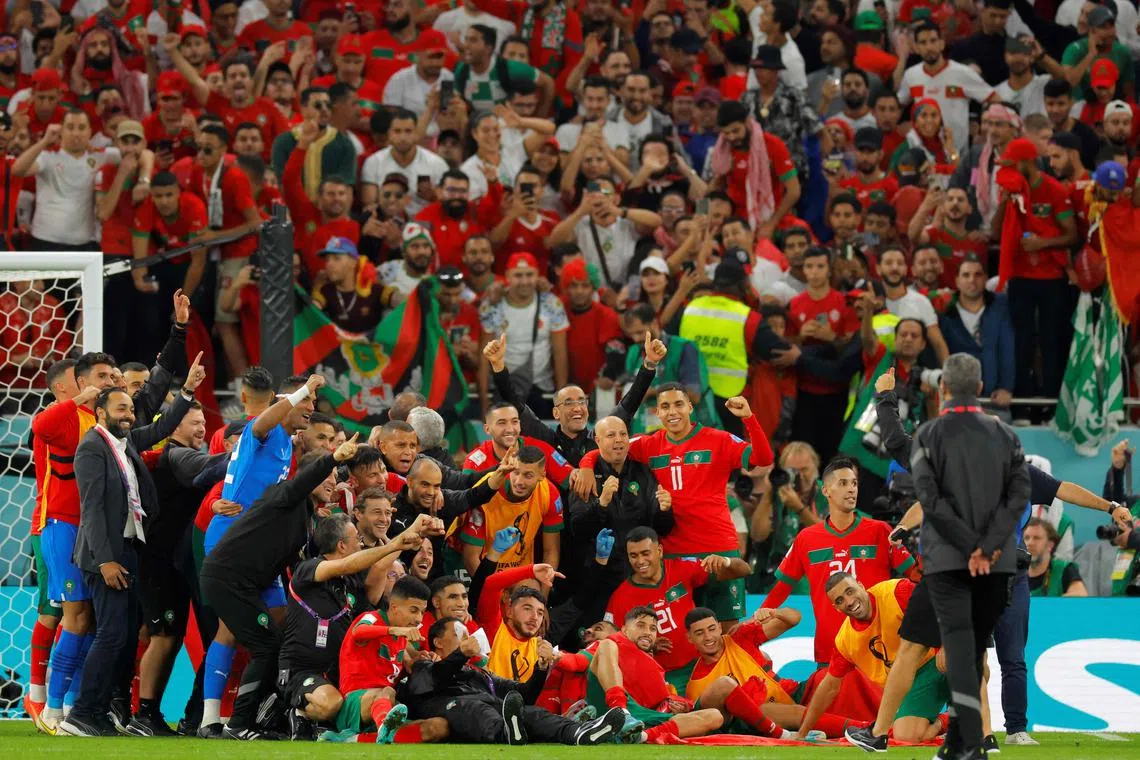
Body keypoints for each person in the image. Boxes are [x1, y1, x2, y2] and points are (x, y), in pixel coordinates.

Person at [58, 376, 199, 737]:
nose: (129, 414)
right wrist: (105, 561)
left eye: (131, 409)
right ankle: (83, 712)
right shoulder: (92, 447)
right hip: (106, 554)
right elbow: (90, 509)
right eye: (121, 408)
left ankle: (101, 710)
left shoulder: (124, 443)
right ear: (99, 412)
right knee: (111, 635)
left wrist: (186, 394)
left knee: (120, 637)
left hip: (130, 549)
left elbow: (163, 426)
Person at [909, 353, 1031, 758]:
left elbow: (930, 499)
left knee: (961, 645)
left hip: (947, 559)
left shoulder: (927, 434)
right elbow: (1020, 496)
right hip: (998, 562)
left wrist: (967, 546)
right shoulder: (1007, 436)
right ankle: (957, 742)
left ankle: (971, 746)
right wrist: (990, 545)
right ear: (979, 389)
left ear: (942, 387)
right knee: (973, 647)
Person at [199, 433, 361, 739]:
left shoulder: (307, 515)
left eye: (334, 477)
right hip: (228, 579)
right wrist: (333, 457)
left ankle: (263, 715)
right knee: (265, 646)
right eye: (327, 476)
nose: (332, 482)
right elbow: (303, 481)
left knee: (272, 642)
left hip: (244, 583)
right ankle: (237, 724)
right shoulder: (285, 495)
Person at [579, 386, 774, 624]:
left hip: (716, 547)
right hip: (673, 556)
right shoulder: (648, 444)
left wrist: (749, 419)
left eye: (679, 404)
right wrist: (587, 467)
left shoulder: (718, 439)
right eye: (665, 406)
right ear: (657, 413)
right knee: (684, 633)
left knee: (726, 634)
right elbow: (607, 449)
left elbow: (763, 458)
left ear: (690, 407)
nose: (673, 412)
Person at [279, 513, 435, 740]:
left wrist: (412, 530)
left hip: (337, 677)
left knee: (372, 699)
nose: (361, 543)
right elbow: (345, 564)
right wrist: (396, 542)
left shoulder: (351, 582)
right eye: (357, 539)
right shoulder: (309, 569)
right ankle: (299, 713)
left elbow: (381, 566)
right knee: (330, 703)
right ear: (341, 545)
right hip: (302, 670)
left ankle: (348, 733)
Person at [762, 457, 915, 666]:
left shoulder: (880, 531)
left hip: (879, 651)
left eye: (854, 483)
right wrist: (758, 617)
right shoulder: (806, 539)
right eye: (843, 483)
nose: (851, 489)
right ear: (825, 491)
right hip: (830, 653)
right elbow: (782, 586)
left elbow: (914, 575)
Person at [402, 617, 626, 746]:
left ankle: (577, 733)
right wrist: (460, 653)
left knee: (532, 712)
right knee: (474, 707)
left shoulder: (478, 674)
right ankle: (508, 732)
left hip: (494, 710)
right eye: (459, 635)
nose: (467, 639)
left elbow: (524, 693)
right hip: (455, 709)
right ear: (437, 642)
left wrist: (540, 667)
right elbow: (426, 683)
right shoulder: (424, 665)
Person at [795, 576, 947, 743]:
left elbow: (942, 601)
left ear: (861, 585)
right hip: (911, 685)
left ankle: (976, 714)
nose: (849, 601)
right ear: (836, 608)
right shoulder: (845, 640)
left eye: (850, 591)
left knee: (962, 651)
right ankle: (952, 720)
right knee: (906, 736)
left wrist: (945, 643)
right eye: (840, 600)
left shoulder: (896, 592)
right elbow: (829, 687)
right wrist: (802, 732)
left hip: (935, 662)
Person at [603, 527, 749, 691]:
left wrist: (726, 561)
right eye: (633, 556)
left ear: (659, 550)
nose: (640, 561)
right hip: (665, 678)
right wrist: (643, 646)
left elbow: (744, 570)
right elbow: (610, 647)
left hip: (703, 662)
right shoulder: (621, 597)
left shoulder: (681, 568)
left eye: (645, 553)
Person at [991, 137, 1077, 415]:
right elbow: (995, 231)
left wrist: (1042, 243)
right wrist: (1005, 201)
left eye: (1013, 164)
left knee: (1052, 341)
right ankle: (1023, 407)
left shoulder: (1052, 190)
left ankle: (1052, 406)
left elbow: (1071, 235)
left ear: (1027, 162)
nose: (1009, 169)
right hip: (1020, 277)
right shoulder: (1010, 189)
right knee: (1021, 342)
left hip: (1051, 278)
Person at [678, 256, 790, 437]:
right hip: (728, 398)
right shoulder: (747, 316)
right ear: (742, 284)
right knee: (728, 457)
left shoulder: (691, 308)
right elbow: (778, 350)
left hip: (690, 395)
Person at [478, 253, 569, 418]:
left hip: (541, 389)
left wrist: (561, 402)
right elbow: (484, 357)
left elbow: (560, 354)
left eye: (529, 274)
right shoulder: (492, 306)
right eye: (518, 275)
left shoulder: (551, 304)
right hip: (503, 388)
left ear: (537, 276)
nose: (524, 281)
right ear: (507, 277)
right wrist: (484, 403)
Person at [897, 21, 997, 156]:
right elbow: (898, 105)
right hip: (923, 154)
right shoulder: (911, 75)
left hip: (957, 155)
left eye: (933, 41)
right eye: (923, 42)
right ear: (916, 48)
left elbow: (994, 99)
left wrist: (983, 126)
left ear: (942, 44)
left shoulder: (963, 73)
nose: (929, 47)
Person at [938, 255, 1016, 409]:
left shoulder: (1000, 307)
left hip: (996, 401)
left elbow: (1007, 349)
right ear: (957, 280)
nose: (972, 280)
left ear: (986, 278)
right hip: (956, 402)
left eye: (977, 275)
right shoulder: (945, 313)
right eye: (966, 275)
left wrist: (1006, 387)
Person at [1024, 518, 1088, 597]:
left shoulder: (1064, 569)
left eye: (1037, 538)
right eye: (1026, 538)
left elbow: (1080, 594)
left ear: (1050, 545)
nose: (1030, 543)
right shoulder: (1013, 572)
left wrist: (1052, 605)